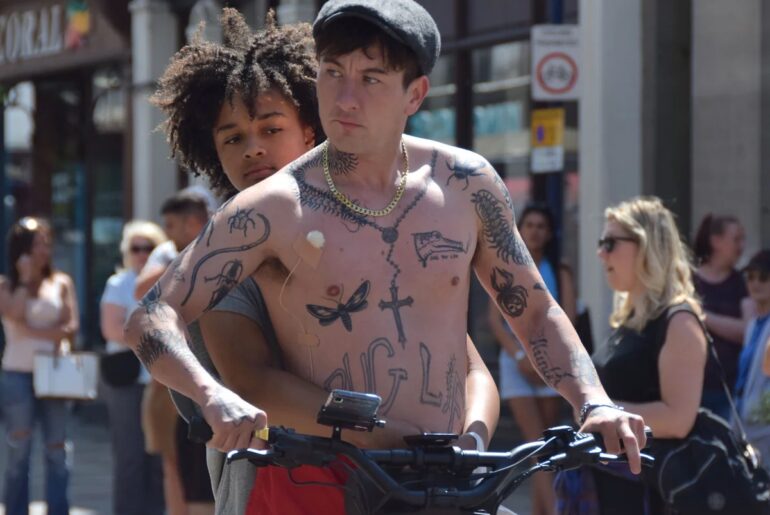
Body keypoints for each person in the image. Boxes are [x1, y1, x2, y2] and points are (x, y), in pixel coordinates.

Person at [123, 1, 647, 514]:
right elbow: (151, 314)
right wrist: (211, 395)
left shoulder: (468, 183)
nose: (345, 98)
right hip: (329, 483)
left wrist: (592, 400)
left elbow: (533, 312)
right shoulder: (272, 207)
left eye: (370, 79)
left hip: (455, 483)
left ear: (414, 94)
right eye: (333, 73)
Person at [152, 10, 499, 513]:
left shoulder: (370, 227)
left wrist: (469, 445)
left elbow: (466, 367)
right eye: (233, 138)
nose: (254, 150)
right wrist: (388, 434)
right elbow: (252, 380)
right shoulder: (224, 260)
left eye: (271, 129)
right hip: (279, 490)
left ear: (311, 130)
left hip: (416, 483)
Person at [559, 197, 707, 514]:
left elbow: (679, 419)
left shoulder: (679, 320)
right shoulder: (629, 320)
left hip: (649, 494)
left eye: (610, 243)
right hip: (611, 484)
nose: (601, 253)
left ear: (647, 247)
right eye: (601, 243)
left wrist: (599, 410)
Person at [488, 202, 576, 515]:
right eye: (530, 225)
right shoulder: (505, 267)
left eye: (542, 226)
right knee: (536, 445)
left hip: (550, 364)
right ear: (520, 230)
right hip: (516, 364)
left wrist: (543, 358)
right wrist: (518, 355)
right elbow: (495, 320)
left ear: (549, 233)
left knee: (546, 447)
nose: (535, 232)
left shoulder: (560, 271)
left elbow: (567, 319)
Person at [136, 191, 214, 515]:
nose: (166, 233)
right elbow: (141, 291)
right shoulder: (172, 255)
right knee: (179, 470)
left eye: (170, 225)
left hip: (218, 384)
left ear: (192, 223)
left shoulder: (229, 250)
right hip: (180, 387)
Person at [0, 217, 79, 515]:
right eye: (37, 244)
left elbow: (70, 328)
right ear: (21, 248)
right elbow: (13, 314)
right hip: (17, 374)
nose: (44, 250)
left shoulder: (61, 282)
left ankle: (58, 509)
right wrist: (24, 279)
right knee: (18, 450)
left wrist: (32, 331)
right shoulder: (6, 285)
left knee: (57, 449)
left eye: (47, 243)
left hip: (55, 373)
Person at [100, 220, 167, 515]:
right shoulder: (119, 284)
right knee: (129, 456)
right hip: (126, 380)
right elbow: (111, 330)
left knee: (159, 455)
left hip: (161, 379)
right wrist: (155, 336)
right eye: (135, 248)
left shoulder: (170, 283)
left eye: (148, 248)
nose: (142, 254)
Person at [692, 213, 753, 419]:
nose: (741, 246)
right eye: (736, 239)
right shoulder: (689, 280)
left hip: (728, 389)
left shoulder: (741, 283)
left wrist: (703, 316)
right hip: (692, 387)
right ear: (716, 241)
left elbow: (747, 331)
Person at [733, 249, 770, 468]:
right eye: (750, 277)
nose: (755, 283)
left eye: (763, 277)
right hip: (748, 427)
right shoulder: (753, 325)